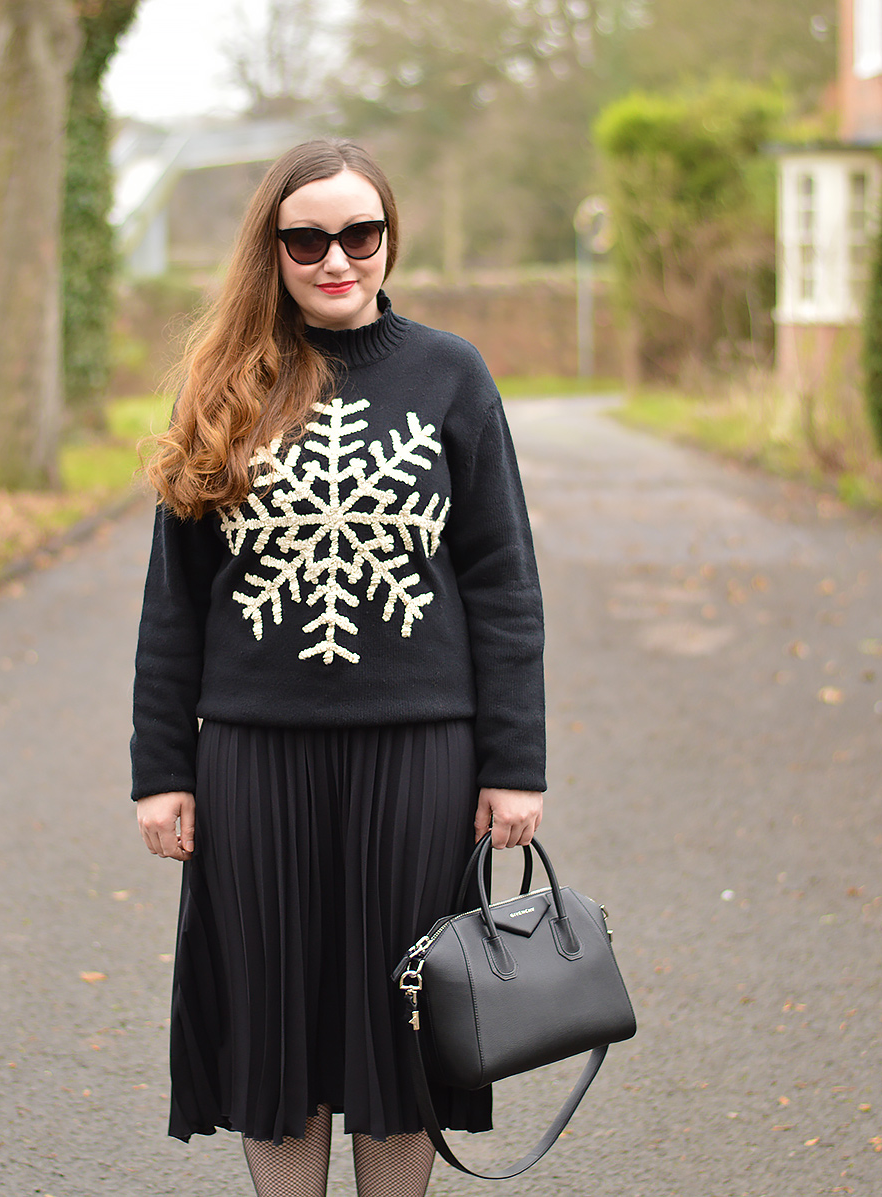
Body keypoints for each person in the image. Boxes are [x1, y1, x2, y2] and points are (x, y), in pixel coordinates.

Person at [130, 138, 546, 1197]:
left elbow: (501, 579)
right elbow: (174, 602)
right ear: (271, 248)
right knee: (275, 1021)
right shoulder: (228, 384)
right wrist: (160, 769)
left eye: (359, 234)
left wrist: (516, 764)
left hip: (422, 756)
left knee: (402, 1024)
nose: (335, 258)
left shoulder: (452, 374)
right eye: (307, 238)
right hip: (253, 760)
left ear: (388, 238)